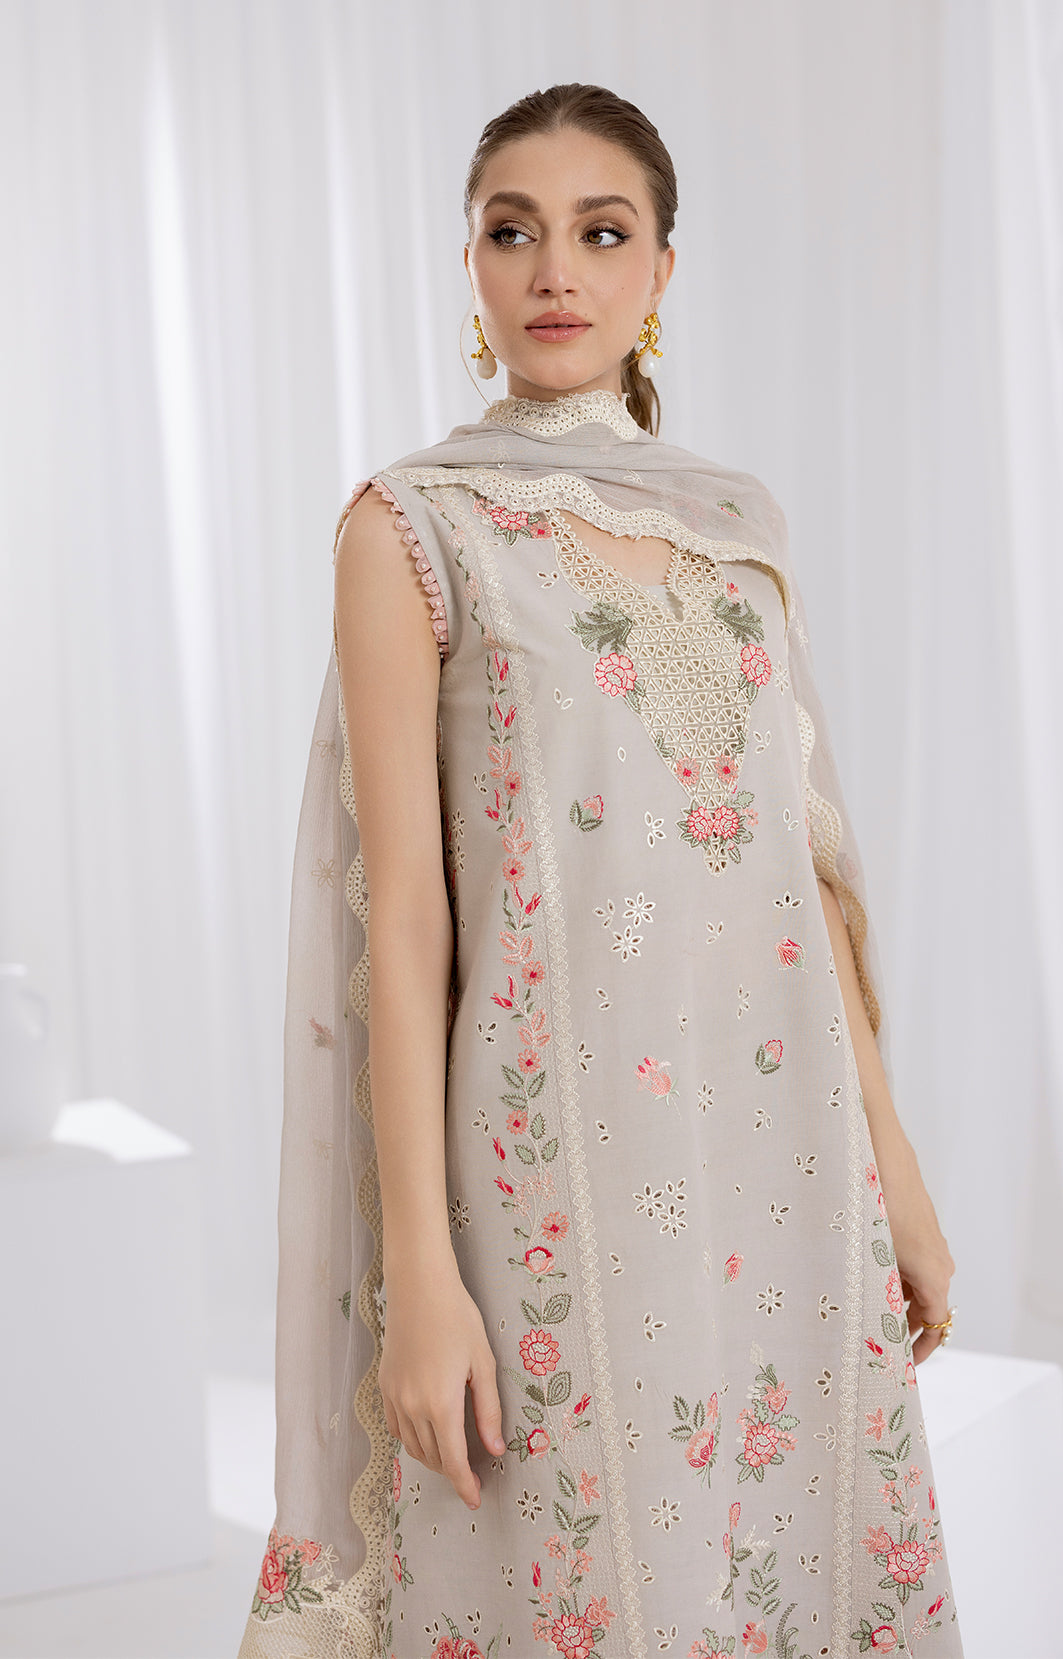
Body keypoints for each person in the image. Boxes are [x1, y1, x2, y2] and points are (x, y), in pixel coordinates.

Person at [237, 82, 963, 1659]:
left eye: (601, 231)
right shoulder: (413, 529)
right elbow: (403, 919)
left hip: (782, 1155)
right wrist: (421, 1279)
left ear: (662, 272)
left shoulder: (734, 527)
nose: (555, 270)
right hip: (550, 1162)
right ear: (472, 267)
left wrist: (897, 1174)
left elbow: (803, 878)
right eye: (514, 232)